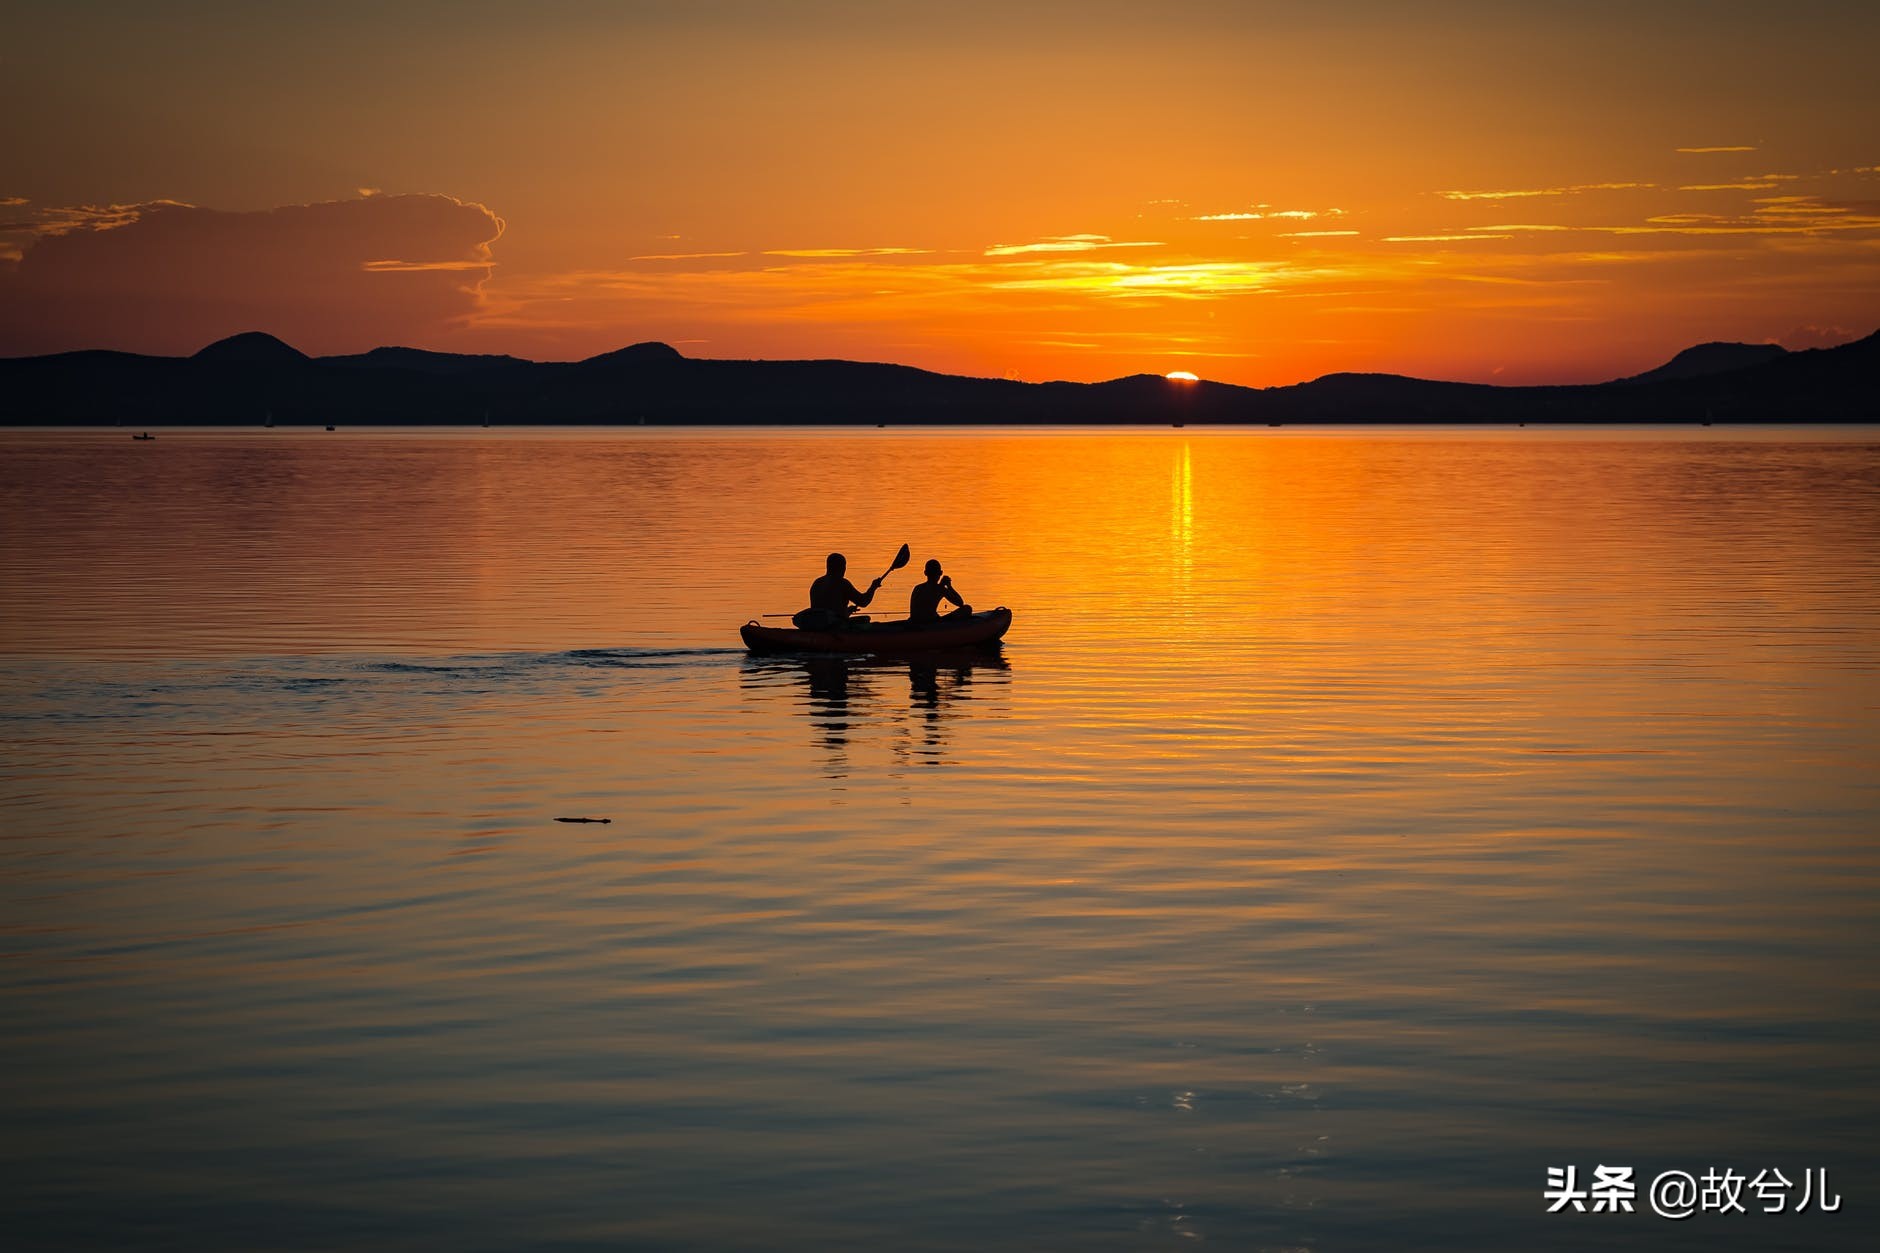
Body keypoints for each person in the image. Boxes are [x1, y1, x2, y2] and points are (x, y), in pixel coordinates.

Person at [796, 552, 881, 629]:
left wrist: (848, 611)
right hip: (835, 628)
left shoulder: (817, 583)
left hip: (818, 626)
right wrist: (873, 587)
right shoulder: (842, 583)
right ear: (842, 567)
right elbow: (863, 601)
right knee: (866, 620)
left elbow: (827, 611)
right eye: (844, 566)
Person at [908, 559, 972, 624]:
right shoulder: (940, 589)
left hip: (914, 621)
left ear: (925, 573)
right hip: (930, 623)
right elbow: (960, 603)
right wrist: (949, 587)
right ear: (940, 573)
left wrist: (941, 586)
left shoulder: (917, 588)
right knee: (967, 608)